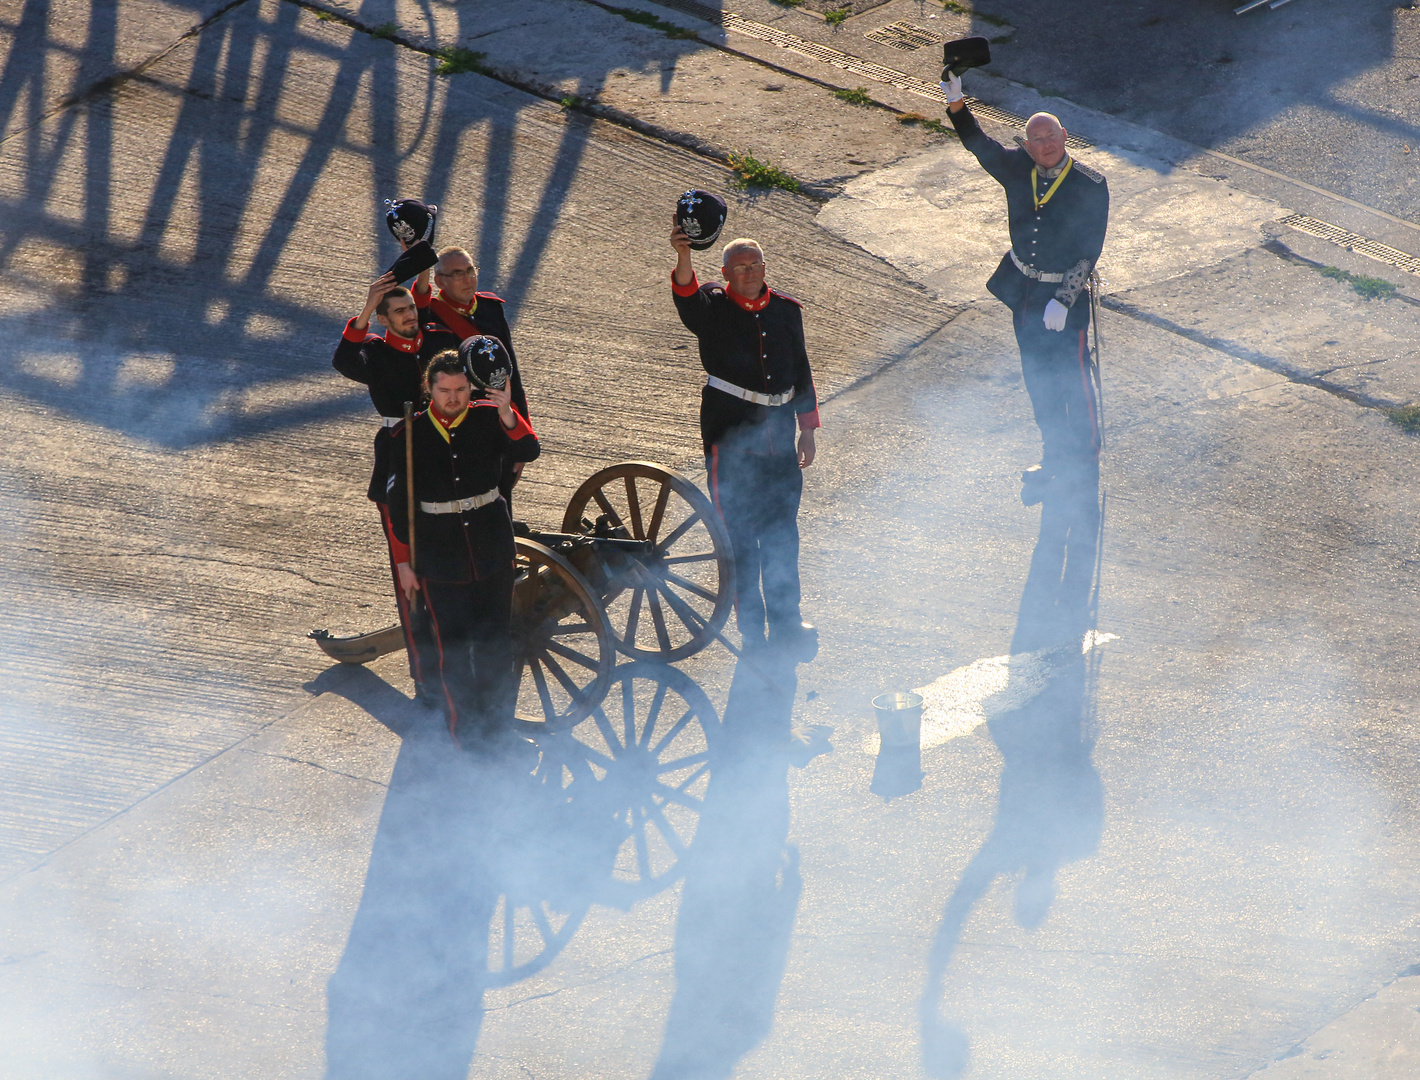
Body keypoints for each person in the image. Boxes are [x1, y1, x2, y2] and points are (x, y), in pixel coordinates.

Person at [942, 70, 1109, 499]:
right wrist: (958, 104)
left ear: (1064, 135)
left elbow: (1089, 250)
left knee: (1074, 378)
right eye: (1037, 139)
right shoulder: (1018, 169)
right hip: (1024, 295)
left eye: (1051, 136)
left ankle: (1086, 458)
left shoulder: (1090, 186)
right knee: (1039, 380)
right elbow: (979, 145)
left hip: (1062, 301)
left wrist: (1064, 298)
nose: (1046, 145)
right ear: (1028, 144)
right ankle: (1053, 454)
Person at [670, 227, 820, 659]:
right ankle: (752, 628)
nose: (750, 274)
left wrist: (807, 427)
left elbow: (802, 369)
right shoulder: (713, 308)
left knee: (782, 536)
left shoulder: (787, 310)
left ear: (765, 269)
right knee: (741, 539)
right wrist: (684, 255)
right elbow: (687, 297)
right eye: (741, 268)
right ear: (726, 273)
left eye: (756, 266)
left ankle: (788, 620)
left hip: (781, 438)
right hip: (731, 439)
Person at [386, 342, 540, 748]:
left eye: (460, 391)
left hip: (491, 548)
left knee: (495, 647)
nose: (453, 399)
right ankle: (466, 738)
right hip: (439, 557)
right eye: (444, 391)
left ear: (471, 389)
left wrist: (508, 410)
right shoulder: (407, 433)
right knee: (452, 650)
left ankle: (499, 733)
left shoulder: (491, 418)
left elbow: (529, 449)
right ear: (430, 390)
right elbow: (395, 505)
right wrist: (403, 563)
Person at [332, 273, 461, 697]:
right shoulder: (374, 352)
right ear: (385, 320)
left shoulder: (438, 342)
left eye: (410, 310)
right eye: (400, 312)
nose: (409, 317)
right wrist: (366, 309)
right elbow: (344, 361)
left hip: (449, 451)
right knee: (410, 577)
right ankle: (426, 677)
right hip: (399, 454)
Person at [412, 246, 530, 505]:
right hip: (461, 424)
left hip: (498, 417)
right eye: (458, 273)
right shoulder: (430, 314)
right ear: (440, 280)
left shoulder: (490, 308)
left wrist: (522, 432)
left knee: (501, 500)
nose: (468, 279)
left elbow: (512, 376)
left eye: (470, 270)